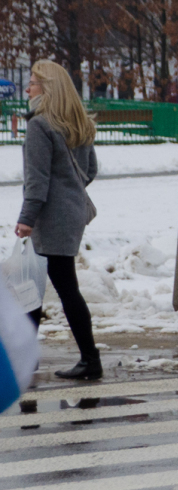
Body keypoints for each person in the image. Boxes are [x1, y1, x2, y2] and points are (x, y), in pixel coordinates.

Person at [15, 61, 101, 380]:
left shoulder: (40, 125)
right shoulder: (77, 123)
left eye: (33, 83)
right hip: (71, 214)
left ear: (47, 88)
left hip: (50, 217)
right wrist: (69, 193)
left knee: (61, 287)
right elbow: (90, 171)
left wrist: (27, 219)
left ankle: (90, 360)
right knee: (38, 287)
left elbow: (36, 181)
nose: (28, 88)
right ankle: (30, 357)